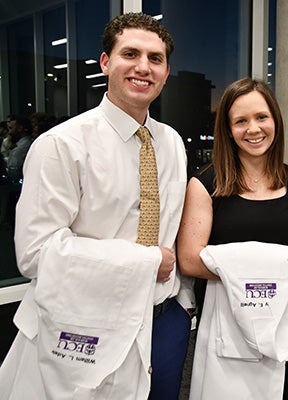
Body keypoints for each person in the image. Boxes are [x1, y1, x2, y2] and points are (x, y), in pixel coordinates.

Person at [0, 12, 192, 400]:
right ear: (106, 63)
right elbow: (36, 255)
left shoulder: (171, 142)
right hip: (87, 324)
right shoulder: (62, 146)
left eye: (155, 59)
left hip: (163, 323)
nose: (143, 67)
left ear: (167, 71)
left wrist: (181, 304)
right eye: (130, 54)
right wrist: (146, 262)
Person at [177, 77, 288, 400]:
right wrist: (270, 269)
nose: (253, 129)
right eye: (240, 121)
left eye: (261, 117)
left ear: (275, 122)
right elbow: (188, 258)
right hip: (224, 327)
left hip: (285, 323)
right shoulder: (205, 184)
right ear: (228, 129)